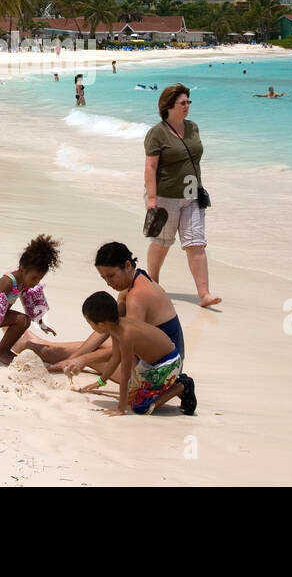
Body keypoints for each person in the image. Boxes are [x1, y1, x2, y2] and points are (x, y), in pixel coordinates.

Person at [21, 242, 188, 392]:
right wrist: (76, 357)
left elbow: (128, 348)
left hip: (164, 367)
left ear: (127, 265)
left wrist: (83, 359)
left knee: (97, 354)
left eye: (111, 275)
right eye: (104, 277)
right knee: (99, 345)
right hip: (157, 355)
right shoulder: (133, 282)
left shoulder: (137, 296)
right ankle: (43, 348)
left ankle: (41, 348)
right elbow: (107, 327)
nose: (108, 282)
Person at [144, 84, 220, 308]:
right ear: (169, 106)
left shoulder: (193, 127)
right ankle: (153, 283)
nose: (187, 106)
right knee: (162, 242)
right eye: (182, 103)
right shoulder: (157, 133)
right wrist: (151, 199)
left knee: (196, 243)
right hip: (166, 196)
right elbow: (150, 167)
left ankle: (204, 294)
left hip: (192, 194)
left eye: (188, 102)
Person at [78, 291, 190, 417]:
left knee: (140, 407)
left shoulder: (126, 335)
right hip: (150, 364)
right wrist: (101, 381)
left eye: (89, 322)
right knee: (131, 398)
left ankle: (180, 387)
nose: (90, 326)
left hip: (168, 363)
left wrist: (121, 409)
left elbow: (125, 374)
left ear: (101, 324)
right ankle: (168, 384)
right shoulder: (115, 327)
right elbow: (115, 358)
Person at [0, 235, 59, 366]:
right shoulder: (8, 282)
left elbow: (31, 305)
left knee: (24, 320)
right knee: (23, 320)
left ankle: (3, 349)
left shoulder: (23, 282)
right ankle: (1, 351)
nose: (36, 282)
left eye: (39, 279)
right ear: (22, 268)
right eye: (34, 278)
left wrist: (41, 324)